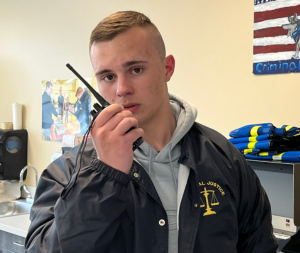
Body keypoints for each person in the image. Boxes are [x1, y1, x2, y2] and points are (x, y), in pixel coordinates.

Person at [26, 11, 278, 253]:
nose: (122, 89)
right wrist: (104, 175)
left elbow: (259, 245)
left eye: (136, 69)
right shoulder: (67, 172)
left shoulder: (225, 158)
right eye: (108, 76)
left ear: (167, 68)